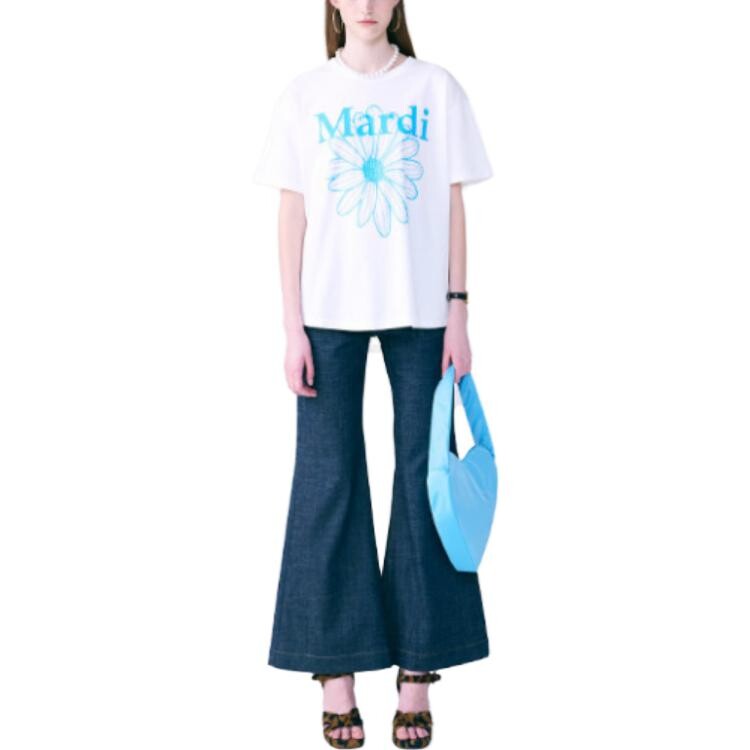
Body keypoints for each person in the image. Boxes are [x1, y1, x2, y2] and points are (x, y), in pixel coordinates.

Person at [252, 1, 494, 746]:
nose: (363, 3)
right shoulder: (304, 95)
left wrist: (459, 311)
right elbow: (292, 215)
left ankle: (420, 666)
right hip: (327, 313)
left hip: (423, 310)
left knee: (427, 477)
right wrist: (291, 325)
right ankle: (336, 668)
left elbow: (452, 204)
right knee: (327, 479)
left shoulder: (435, 88)